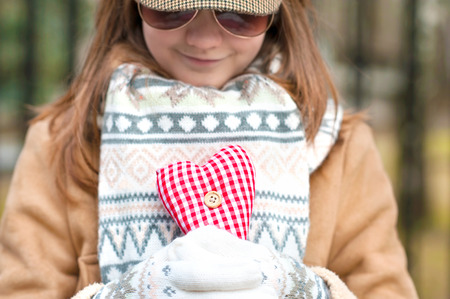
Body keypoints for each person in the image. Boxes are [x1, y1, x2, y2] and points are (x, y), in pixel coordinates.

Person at [0, 0, 418, 298]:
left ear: (277, 13)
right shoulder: (61, 142)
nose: (202, 39)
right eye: (172, 9)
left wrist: (305, 290)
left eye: (237, 13)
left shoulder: (341, 147)